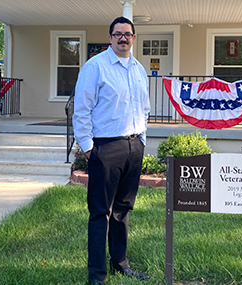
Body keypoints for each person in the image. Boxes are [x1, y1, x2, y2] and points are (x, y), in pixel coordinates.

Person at [72, 16, 151, 285]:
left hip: (133, 147)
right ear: (110, 37)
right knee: (100, 213)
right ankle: (97, 274)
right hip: (105, 148)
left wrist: (141, 139)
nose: (123, 38)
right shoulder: (95, 67)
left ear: (133, 38)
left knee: (122, 210)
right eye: (117, 34)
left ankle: (120, 264)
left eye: (127, 34)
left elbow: (144, 108)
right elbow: (81, 109)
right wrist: (88, 147)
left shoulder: (138, 69)